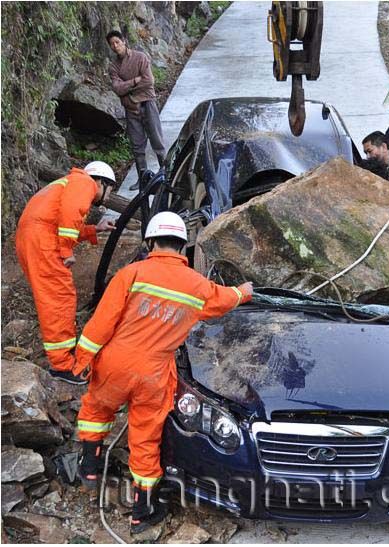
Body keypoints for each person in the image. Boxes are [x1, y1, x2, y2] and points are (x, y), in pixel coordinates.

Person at [73, 211, 253, 534]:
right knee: (145, 437)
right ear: (183, 247)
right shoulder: (197, 286)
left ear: (151, 242)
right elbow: (225, 300)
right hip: (154, 373)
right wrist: (245, 291)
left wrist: (81, 359)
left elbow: (101, 324)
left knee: (96, 409)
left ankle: (88, 468)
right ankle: (142, 512)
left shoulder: (132, 274)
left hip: (115, 363)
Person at [15, 162, 117, 385]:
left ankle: (61, 357)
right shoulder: (85, 182)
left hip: (33, 239)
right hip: (42, 242)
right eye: (110, 190)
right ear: (101, 182)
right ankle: (62, 365)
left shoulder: (67, 184)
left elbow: (61, 220)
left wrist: (94, 229)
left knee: (53, 299)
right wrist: (66, 249)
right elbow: (71, 214)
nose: (108, 198)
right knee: (58, 301)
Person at [106, 30, 166, 191]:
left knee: (157, 141)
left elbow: (148, 81)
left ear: (124, 41)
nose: (115, 46)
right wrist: (134, 81)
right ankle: (143, 179)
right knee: (137, 146)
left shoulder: (140, 57)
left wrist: (130, 94)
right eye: (112, 44)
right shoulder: (113, 67)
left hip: (148, 104)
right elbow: (117, 89)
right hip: (131, 110)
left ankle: (166, 175)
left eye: (117, 42)